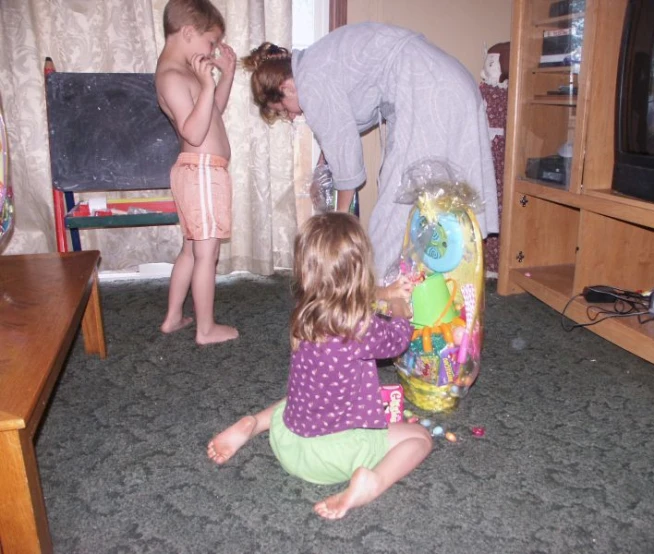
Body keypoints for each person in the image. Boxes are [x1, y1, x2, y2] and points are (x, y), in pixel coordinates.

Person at [207, 212, 433, 520]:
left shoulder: (305, 314)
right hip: (329, 458)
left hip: (287, 441)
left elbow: (342, 297)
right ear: (361, 270)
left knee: (303, 395)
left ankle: (252, 423)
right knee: (419, 439)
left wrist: (383, 292)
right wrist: (399, 307)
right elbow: (397, 341)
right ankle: (373, 482)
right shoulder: (362, 328)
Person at [241, 22, 499, 288]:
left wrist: (339, 222)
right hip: (450, 82)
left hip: (426, 88)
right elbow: (337, 132)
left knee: (400, 196)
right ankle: (444, 283)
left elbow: (344, 153)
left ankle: (378, 292)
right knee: (447, 194)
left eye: (284, 108)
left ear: (286, 88)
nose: (292, 115)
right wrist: (323, 166)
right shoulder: (315, 63)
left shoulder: (309, 81)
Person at [155, 0, 239, 345]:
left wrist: (225, 76)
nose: (212, 50)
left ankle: (174, 317)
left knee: (192, 249)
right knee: (208, 253)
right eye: (210, 42)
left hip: (203, 172)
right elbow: (193, 134)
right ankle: (206, 329)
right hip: (201, 172)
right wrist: (205, 85)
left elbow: (212, 114)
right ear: (188, 32)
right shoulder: (172, 77)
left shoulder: (185, 74)